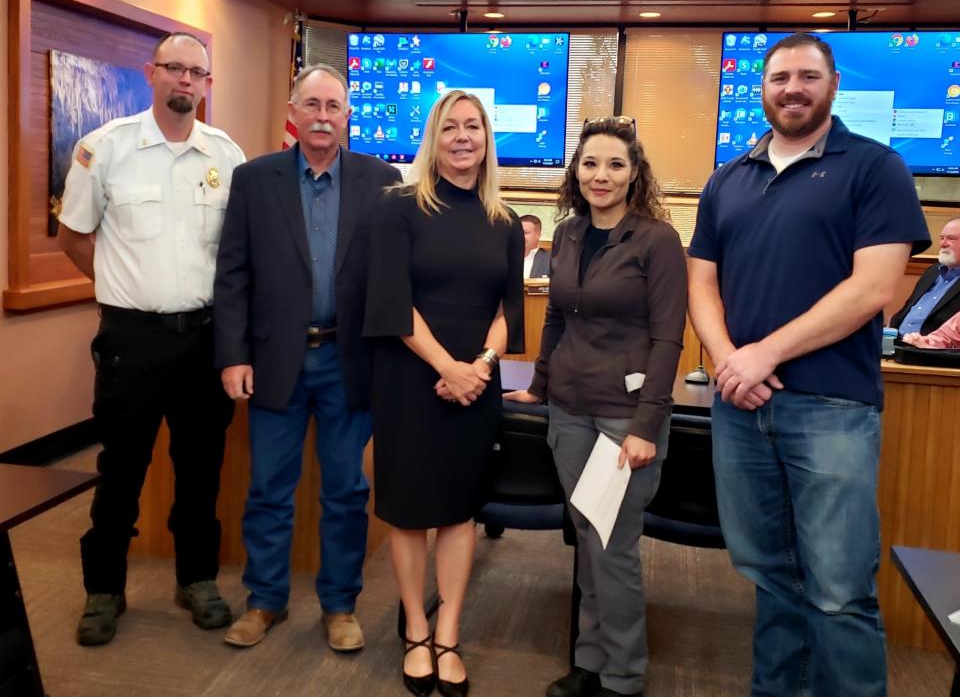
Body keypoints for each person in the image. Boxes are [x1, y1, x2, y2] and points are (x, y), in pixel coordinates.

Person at [688, 33, 930, 696]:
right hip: (743, 408)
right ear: (760, 89)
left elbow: (874, 288)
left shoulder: (876, 167)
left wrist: (763, 353)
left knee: (839, 590)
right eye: (778, 78)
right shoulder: (727, 179)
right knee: (772, 581)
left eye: (806, 76)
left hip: (831, 409)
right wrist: (729, 361)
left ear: (832, 86)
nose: (791, 88)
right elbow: (701, 283)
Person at [56, 32, 245, 646]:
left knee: (202, 470)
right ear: (151, 73)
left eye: (198, 72)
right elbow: (76, 239)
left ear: (207, 84)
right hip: (132, 340)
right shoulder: (105, 149)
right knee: (122, 468)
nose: (186, 80)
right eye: (175, 69)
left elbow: (237, 256)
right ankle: (103, 590)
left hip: (205, 339)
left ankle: (197, 580)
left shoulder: (227, 156)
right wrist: (123, 289)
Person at [213, 64, 400, 650]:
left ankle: (340, 605)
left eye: (334, 107)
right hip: (274, 361)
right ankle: (265, 600)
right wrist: (232, 356)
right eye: (312, 106)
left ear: (348, 116)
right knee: (269, 487)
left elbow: (393, 278)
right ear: (292, 114)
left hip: (349, 361)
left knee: (346, 491)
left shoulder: (381, 179)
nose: (323, 117)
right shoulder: (254, 179)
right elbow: (233, 274)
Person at [506, 117, 687, 697]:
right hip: (569, 411)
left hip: (622, 418)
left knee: (612, 547)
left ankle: (624, 675)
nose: (600, 175)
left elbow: (668, 339)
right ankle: (588, 660)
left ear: (635, 174)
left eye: (614, 164)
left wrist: (646, 425)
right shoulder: (569, 233)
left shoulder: (657, 240)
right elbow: (557, 318)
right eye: (590, 164)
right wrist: (538, 384)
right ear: (575, 171)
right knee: (586, 536)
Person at [363, 90, 524, 697]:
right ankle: (414, 626)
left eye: (474, 127)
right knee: (408, 514)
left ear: (487, 139)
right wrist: (446, 367)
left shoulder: (504, 220)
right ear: (434, 137)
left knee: (459, 513)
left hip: (474, 386)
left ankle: (449, 631)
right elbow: (389, 299)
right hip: (409, 379)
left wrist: (478, 367)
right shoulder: (399, 208)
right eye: (450, 127)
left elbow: (510, 307)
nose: (463, 137)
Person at [890, 217, 960, 336]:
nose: (943, 244)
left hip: (932, 351)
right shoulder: (932, 272)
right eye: (942, 238)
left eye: (951, 239)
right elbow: (907, 309)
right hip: (897, 344)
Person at [521, 214, 551, 278]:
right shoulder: (506, 258)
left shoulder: (551, 260)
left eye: (525, 233)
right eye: (518, 232)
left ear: (538, 234)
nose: (520, 236)